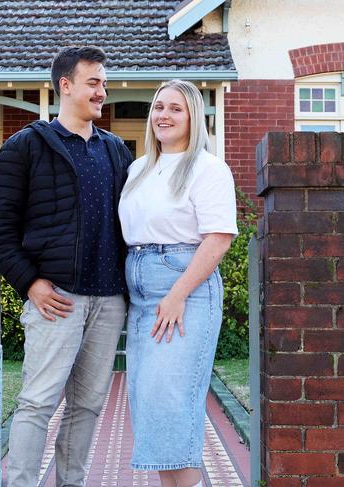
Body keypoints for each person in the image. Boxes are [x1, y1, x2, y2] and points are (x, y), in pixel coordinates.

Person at [0, 46, 133, 487]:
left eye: (104, 83)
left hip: (109, 301)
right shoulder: (25, 147)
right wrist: (30, 283)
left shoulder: (116, 151)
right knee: (37, 402)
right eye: (94, 82)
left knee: (87, 406)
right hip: (57, 300)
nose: (102, 92)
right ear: (65, 85)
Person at [118, 80, 238, 487]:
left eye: (176, 109)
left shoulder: (207, 167)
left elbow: (219, 237)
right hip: (140, 290)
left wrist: (176, 295)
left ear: (193, 119)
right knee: (149, 406)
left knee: (171, 405)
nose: (163, 116)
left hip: (182, 289)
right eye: (158, 107)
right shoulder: (138, 169)